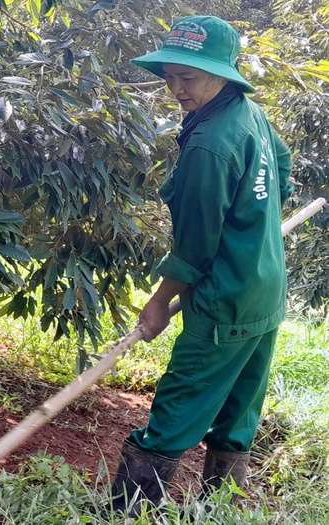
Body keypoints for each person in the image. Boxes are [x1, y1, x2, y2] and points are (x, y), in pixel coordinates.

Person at [110, 15, 294, 515]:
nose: (175, 89)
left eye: (187, 78)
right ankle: (220, 509)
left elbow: (194, 248)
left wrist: (158, 302)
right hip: (264, 292)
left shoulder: (209, 144)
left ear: (222, 73)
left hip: (222, 303)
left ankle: (127, 512)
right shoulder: (250, 113)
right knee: (238, 411)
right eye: (169, 76)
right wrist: (256, 228)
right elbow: (284, 172)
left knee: (177, 409)